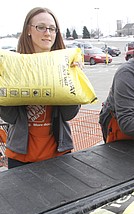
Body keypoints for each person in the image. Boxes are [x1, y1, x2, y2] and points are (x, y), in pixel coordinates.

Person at [0, 7, 81, 169]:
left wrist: (74, 79)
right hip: (21, 156)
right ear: (28, 30)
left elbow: (68, 114)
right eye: (41, 27)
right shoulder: (13, 64)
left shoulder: (64, 64)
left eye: (52, 28)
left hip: (59, 154)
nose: (47, 33)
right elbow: (10, 117)